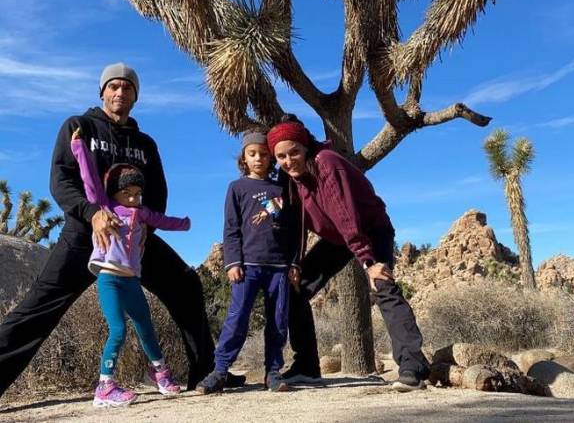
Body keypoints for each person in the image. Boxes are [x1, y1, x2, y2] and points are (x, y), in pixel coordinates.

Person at [0, 63, 244, 397]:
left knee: (185, 285)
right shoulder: (80, 126)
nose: (119, 92)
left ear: (135, 95)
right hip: (86, 236)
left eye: (127, 87)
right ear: (102, 92)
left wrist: (147, 233)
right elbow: (62, 180)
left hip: (133, 241)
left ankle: (206, 372)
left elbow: (157, 193)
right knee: (40, 306)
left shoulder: (145, 144)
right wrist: (92, 213)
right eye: (113, 86)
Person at [266, 116, 431, 392]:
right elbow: (294, 223)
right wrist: (294, 262)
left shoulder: (326, 163)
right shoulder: (291, 179)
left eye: (293, 152)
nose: (288, 160)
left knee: (382, 285)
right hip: (336, 239)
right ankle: (307, 366)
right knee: (295, 288)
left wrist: (368, 262)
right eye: (281, 156)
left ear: (305, 146)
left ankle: (413, 366)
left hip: (370, 229)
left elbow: (346, 216)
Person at [71, 128, 189, 407]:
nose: (135, 198)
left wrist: (184, 223)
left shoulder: (143, 213)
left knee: (146, 327)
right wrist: (79, 148)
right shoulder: (106, 207)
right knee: (118, 329)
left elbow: (163, 220)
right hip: (110, 279)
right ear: (116, 192)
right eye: (128, 193)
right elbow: (90, 181)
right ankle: (104, 386)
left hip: (132, 281)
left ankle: (159, 373)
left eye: (138, 193)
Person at [198, 130, 300, 395]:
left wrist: (294, 263)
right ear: (244, 157)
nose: (258, 158)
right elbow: (231, 229)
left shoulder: (283, 188)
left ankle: (273, 371)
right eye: (252, 154)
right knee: (237, 317)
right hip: (248, 266)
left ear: (271, 158)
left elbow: (294, 229)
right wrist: (232, 262)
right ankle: (220, 371)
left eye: (264, 154)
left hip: (278, 267)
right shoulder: (237, 188)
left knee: (278, 320)